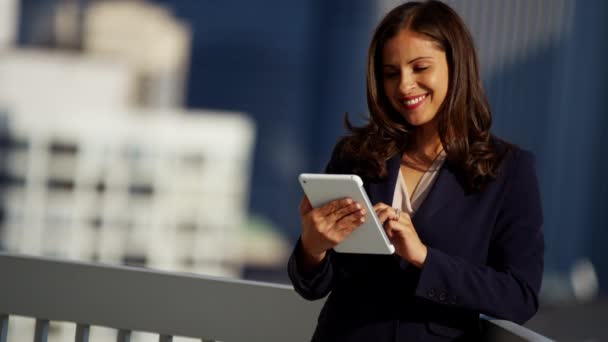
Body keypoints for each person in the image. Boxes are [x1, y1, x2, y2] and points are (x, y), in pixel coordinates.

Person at [287, 1, 544, 341]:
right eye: (391, 73)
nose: (405, 86)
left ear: (456, 65)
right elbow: (314, 285)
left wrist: (424, 257)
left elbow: (519, 296)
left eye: (420, 67)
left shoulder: (507, 170)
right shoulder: (356, 156)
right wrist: (313, 246)